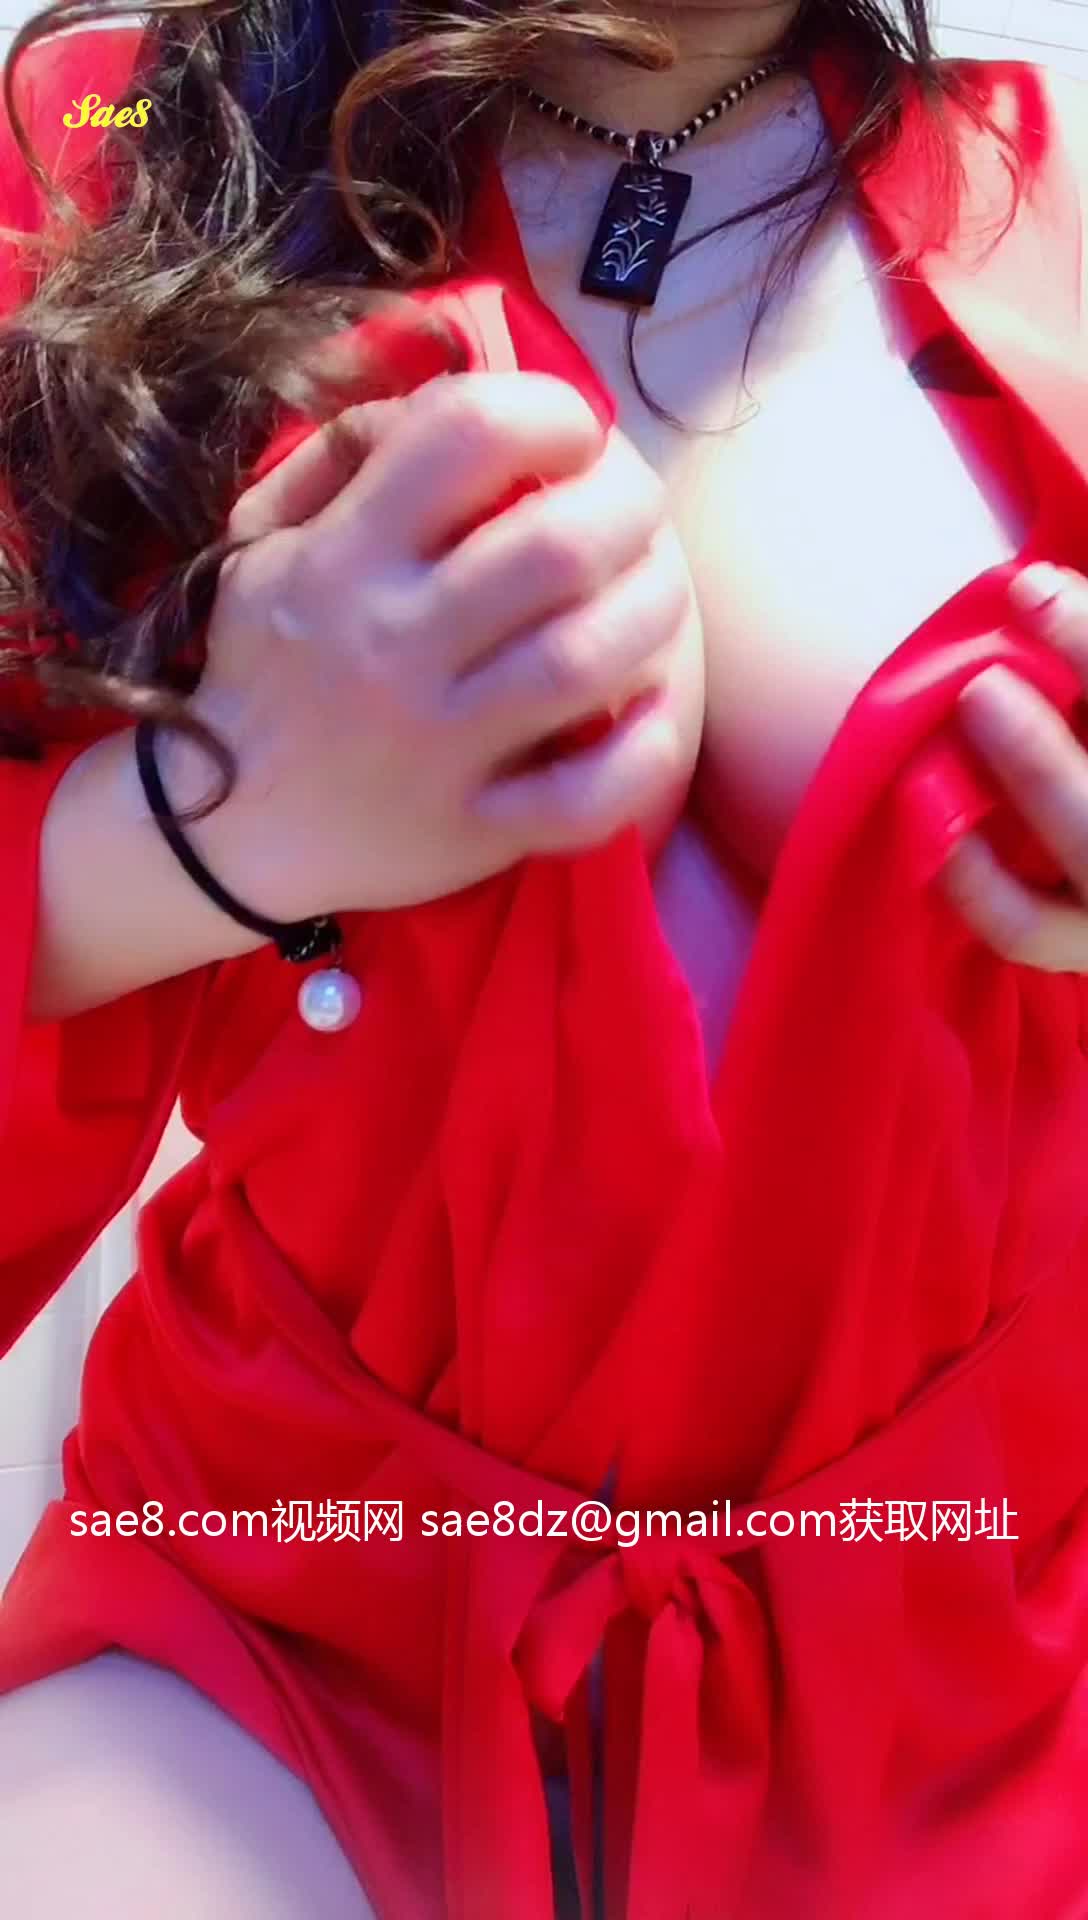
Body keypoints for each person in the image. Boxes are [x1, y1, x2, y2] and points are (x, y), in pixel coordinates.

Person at [2, 0, 1088, 1914]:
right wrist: (198, 817)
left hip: (979, 1608)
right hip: (291, 1585)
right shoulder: (115, 152)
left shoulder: (1058, 203)